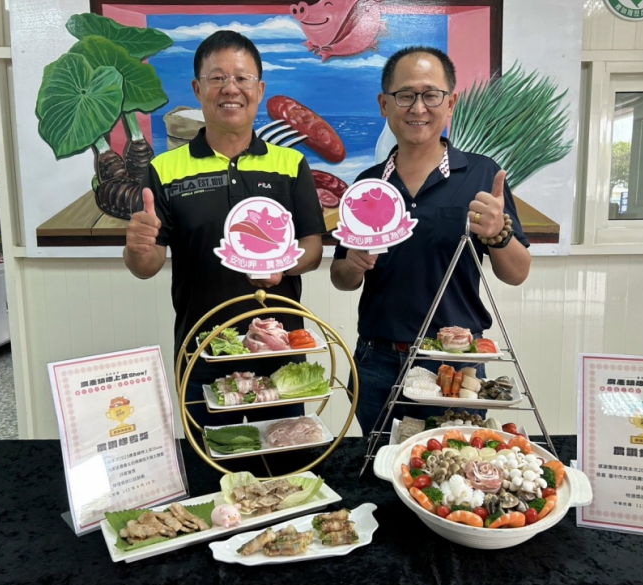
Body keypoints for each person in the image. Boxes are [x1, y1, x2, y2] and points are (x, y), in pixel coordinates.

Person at [124, 30, 325, 427]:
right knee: (211, 471)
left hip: (278, 350)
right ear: (198, 89)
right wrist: (137, 245)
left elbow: (313, 248)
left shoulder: (290, 164)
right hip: (204, 349)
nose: (230, 88)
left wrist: (287, 265)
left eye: (241, 77)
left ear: (260, 88)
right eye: (217, 78)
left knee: (285, 468)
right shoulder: (166, 168)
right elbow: (145, 266)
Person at [330, 46, 531, 435]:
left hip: (454, 362)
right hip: (378, 361)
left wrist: (499, 233)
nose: (418, 108)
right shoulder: (367, 185)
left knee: (451, 476)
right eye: (405, 95)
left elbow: (518, 273)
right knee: (382, 470)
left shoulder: (482, 174)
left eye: (431, 95)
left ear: (451, 102)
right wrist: (353, 263)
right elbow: (342, 277)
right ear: (384, 104)